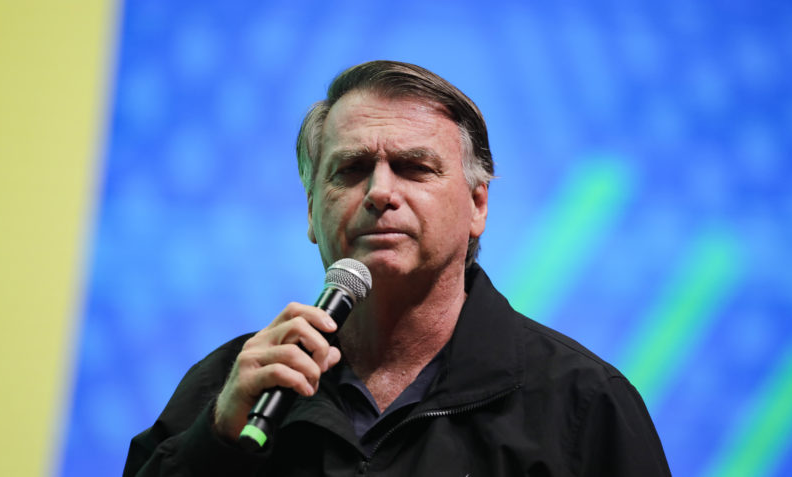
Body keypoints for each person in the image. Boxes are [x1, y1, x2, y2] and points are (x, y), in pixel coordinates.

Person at [124, 60, 671, 476]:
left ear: (478, 204)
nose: (380, 192)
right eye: (351, 169)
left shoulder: (583, 404)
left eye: (413, 167)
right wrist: (215, 443)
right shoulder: (230, 388)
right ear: (311, 211)